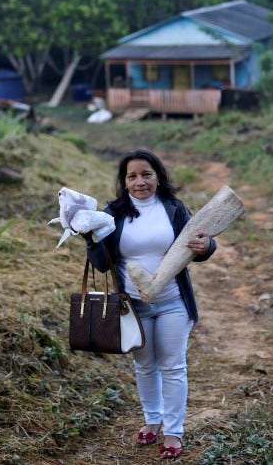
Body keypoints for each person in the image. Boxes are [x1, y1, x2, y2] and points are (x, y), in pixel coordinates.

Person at [85, 148, 216, 459]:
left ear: (158, 177)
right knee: (144, 365)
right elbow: (102, 264)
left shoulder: (173, 208)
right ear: (124, 181)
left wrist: (208, 245)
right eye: (132, 176)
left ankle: (173, 432)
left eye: (147, 174)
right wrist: (90, 239)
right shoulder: (111, 214)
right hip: (134, 305)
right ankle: (152, 420)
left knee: (172, 366)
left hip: (173, 302)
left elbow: (202, 242)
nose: (140, 181)